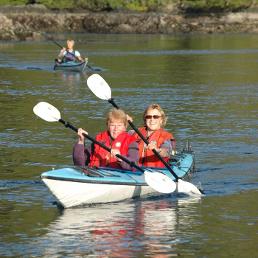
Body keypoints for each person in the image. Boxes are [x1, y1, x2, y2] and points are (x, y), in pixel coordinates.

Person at [73, 108, 139, 170]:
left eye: (119, 125)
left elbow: (134, 165)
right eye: (112, 125)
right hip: (96, 174)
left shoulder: (131, 142)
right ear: (108, 126)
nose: (116, 129)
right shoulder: (99, 139)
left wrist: (120, 158)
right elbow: (79, 163)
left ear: (125, 127)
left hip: (119, 177)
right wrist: (81, 141)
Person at [132, 104, 176, 168]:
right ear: (145, 119)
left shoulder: (167, 136)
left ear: (161, 120)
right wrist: (124, 120)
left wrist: (156, 150)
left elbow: (166, 151)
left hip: (156, 172)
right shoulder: (135, 132)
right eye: (148, 117)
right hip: (134, 171)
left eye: (155, 117)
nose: (152, 119)